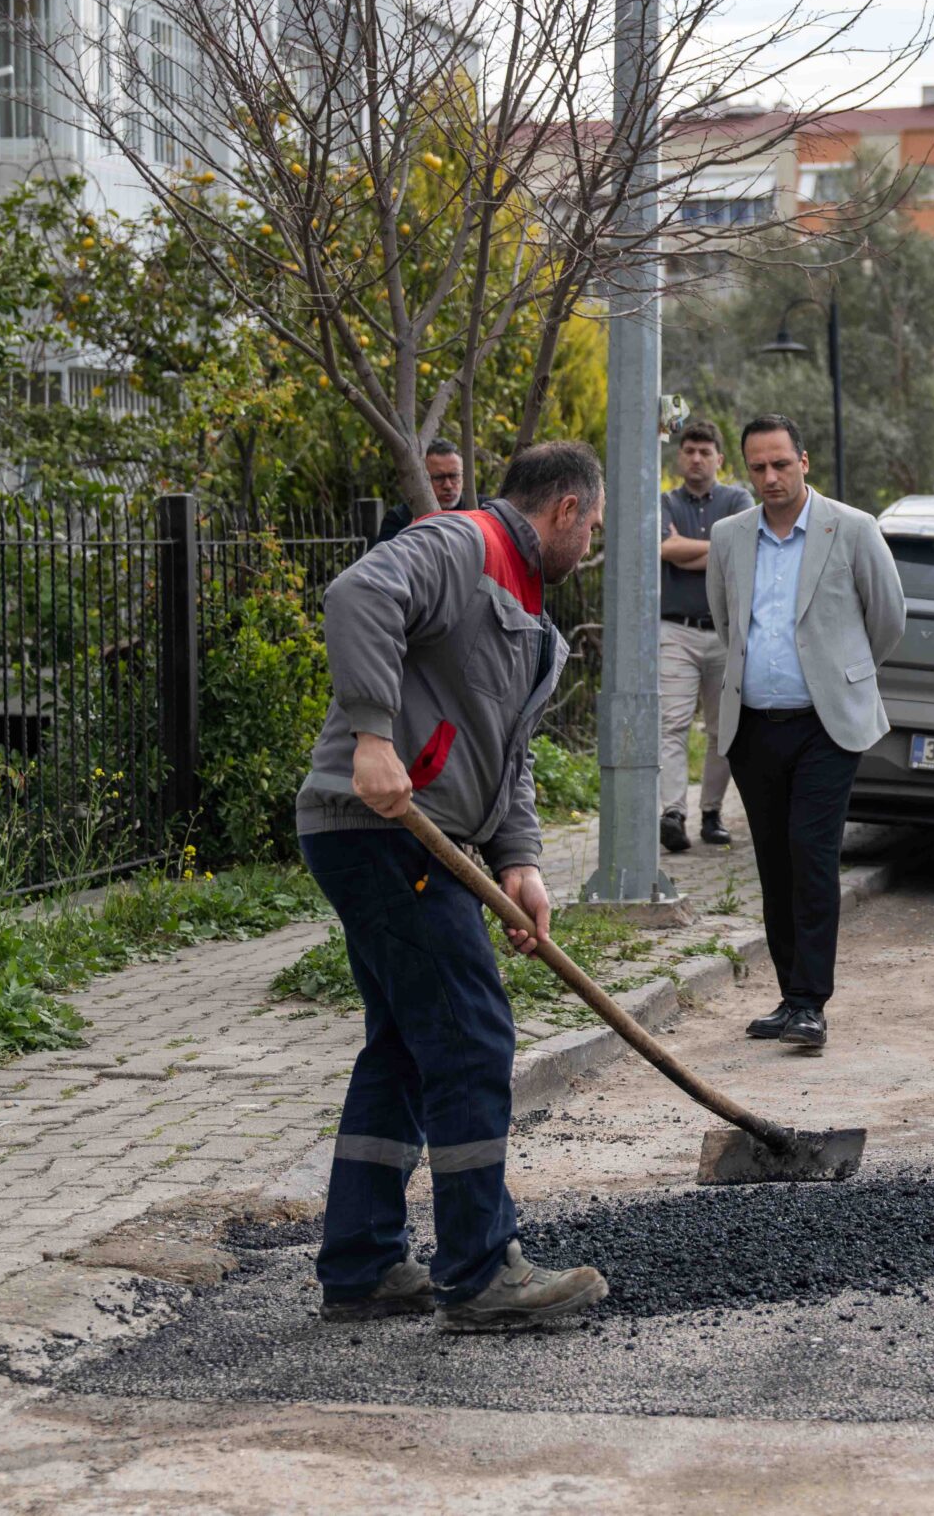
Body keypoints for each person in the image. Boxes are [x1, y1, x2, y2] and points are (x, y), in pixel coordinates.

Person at [294, 440, 610, 1331]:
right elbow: (357, 595)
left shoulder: (530, 608)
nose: (590, 542)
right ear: (563, 510)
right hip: (381, 832)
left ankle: (362, 1265)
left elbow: (507, 756)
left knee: (404, 1043)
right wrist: (371, 734)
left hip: (430, 845)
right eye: (590, 525)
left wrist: (521, 861)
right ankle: (478, 1271)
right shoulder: (462, 546)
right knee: (472, 1034)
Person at [706, 415, 906, 1051]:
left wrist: (841, 675)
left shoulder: (851, 528)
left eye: (780, 465)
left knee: (811, 855)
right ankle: (791, 993)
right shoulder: (728, 535)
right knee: (773, 861)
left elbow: (888, 618)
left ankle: (810, 1002)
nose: (770, 477)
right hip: (753, 728)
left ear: (804, 461)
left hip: (825, 727)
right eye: (758, 467)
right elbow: (724, 618)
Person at [656, 420, 749, 853]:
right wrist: (715, 549)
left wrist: (684, 550)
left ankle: (712, 812)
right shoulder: (663, 503)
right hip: (675, 630)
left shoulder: (738, 499)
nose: (696, 458)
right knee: (671, 724)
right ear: (680, 456)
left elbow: (744, 552)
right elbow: (661, 549)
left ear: (719, 459)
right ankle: (672, 813)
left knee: (722, 729)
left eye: (704, 451)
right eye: (689, 450)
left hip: (726, 630)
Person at [375, 440, 467, 542]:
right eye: (438, 478)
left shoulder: (482, 508)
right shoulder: (398, 518)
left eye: (454, 476)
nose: (448, 485)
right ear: (422, 479)